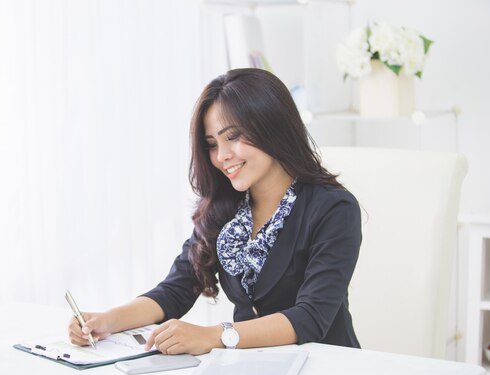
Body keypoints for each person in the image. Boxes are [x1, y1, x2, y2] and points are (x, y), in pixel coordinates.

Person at [68, 68, 362, 355]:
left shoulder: (334, 208)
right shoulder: (224, 208)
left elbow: (312, 315)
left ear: (273, 126)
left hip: (327, 370)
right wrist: (106, 321)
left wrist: (213, 336)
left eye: (232, 136)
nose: (221, 156)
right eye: (212, 144)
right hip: (253, 371)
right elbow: (175, 290)